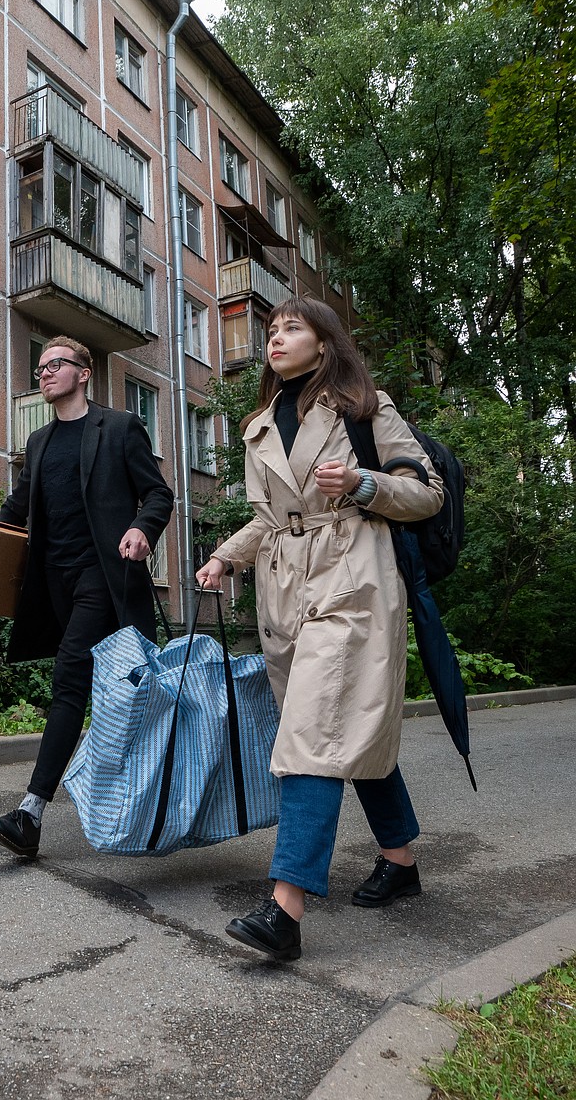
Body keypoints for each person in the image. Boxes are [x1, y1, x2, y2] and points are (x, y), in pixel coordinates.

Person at [195, 297, 443, 962]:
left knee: (313, 734)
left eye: (292, 328)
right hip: (283, 595)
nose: (276, 337)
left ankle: (285, 912)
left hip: (352, 582)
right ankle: (401, 859)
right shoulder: (258, 425)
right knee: (341, 729)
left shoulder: (364, 407)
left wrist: (364, 482)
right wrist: (225, 555)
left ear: (325, 342)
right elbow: (273, 519)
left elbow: (426, 494)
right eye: (271, 330)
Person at [0, 336, 174, 859]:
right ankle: (141, 801)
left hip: (105, 579)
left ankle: (30, 814)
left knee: (68, 680)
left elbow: (158, 493)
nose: (43, 373)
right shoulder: (39, 441)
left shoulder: (118, 427)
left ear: (83, 373)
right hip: (55, 583)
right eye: (39, 367)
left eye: (55, 365)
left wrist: (142, 530)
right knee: (109, 694)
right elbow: (17, 508)